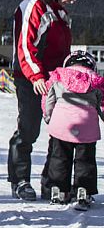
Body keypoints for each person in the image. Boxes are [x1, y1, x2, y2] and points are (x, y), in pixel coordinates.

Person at [8, 0, 88, 201]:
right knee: (29, 129)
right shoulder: (34, 6)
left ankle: (52, 182)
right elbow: (25, 46)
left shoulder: (59, 13)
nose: (71, 1)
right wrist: (37, 77)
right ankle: (20, 181)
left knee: (60, 131)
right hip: (31, 78)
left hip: (55, 81)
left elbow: (61, 51)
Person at [41, 51, 104, 207]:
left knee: (59, 158)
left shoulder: (58, 77)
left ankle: (58, 190)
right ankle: (83, 190)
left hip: (62, 125)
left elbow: (48, 100)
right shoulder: (96, 81)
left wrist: (48, 117)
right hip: (87, 127)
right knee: (85, 160)